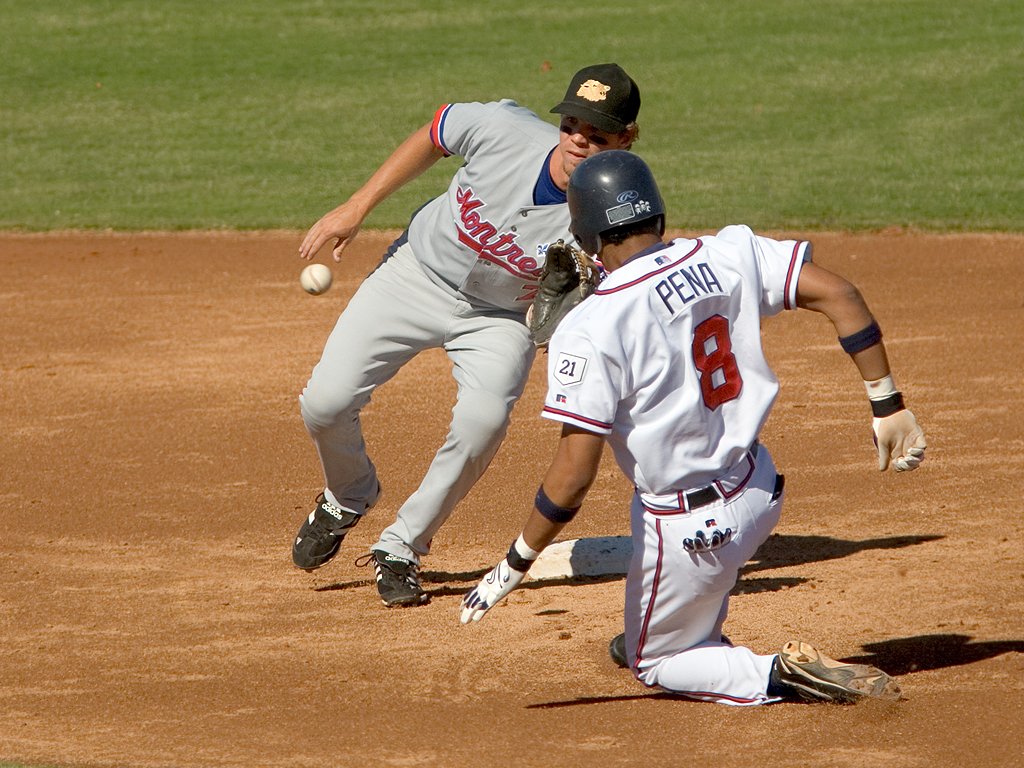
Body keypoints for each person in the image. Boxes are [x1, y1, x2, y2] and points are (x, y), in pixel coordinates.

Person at [459, 151, 927, 705]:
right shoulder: (731, 251)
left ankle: (778, 672)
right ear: (658, 211)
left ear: (584, 235)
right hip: (759, 488)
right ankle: (679, 627)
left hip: (691, 532)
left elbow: (573, 476)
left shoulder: (590, 325)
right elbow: (841, 295)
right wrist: (887, 404)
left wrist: (516, 560)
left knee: (655, 663)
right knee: (663, 612)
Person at [292, 64, 642, 608]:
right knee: (324, 403)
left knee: (483, 422)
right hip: (416, 274)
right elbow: (435, 132)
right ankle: (348, 493)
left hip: (503, 318)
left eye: (597, 134)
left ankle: (403, 545)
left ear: (626, 139)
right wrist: (357, 206)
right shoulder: (502, 128)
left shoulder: (618, 206)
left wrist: (577, 309)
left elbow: (620, 284)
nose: (579, 139)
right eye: (572, 123)